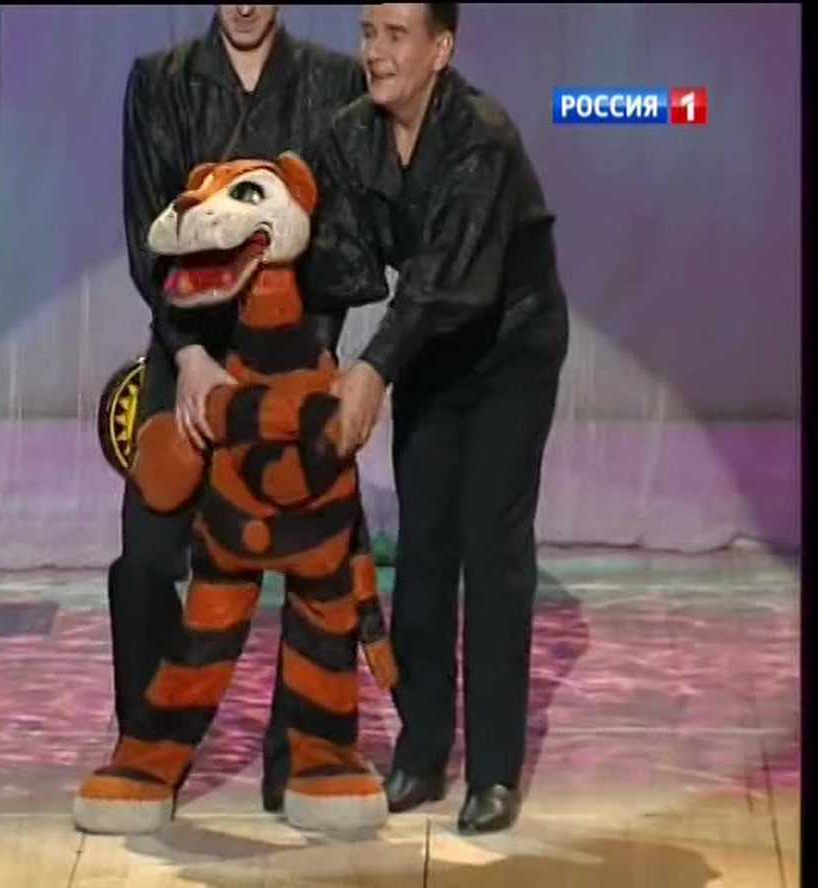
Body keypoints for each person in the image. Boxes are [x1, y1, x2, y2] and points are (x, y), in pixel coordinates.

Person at [299, 3, 570, 834]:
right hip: (431, 353)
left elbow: (445, 281)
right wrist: (318, 364)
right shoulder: (350, 134)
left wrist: (373, 370)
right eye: (368, 32)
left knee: (491, 547)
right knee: (421, 552)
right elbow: (336, 265)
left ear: (440, 48)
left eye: (396, 35)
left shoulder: (481, 135)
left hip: (509, 350)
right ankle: (420, 752)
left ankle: (493, 772)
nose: (376, 52)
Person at [111, 5, 365, 814]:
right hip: (186, 352)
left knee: (311, 558)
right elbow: (148, 236)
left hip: (291, 358)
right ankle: (146, 751)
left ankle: (302, 753)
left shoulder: (333, 82)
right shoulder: (161, 82)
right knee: (148, 554)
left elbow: (337, 236)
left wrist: (302, 362)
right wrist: (190, 355)